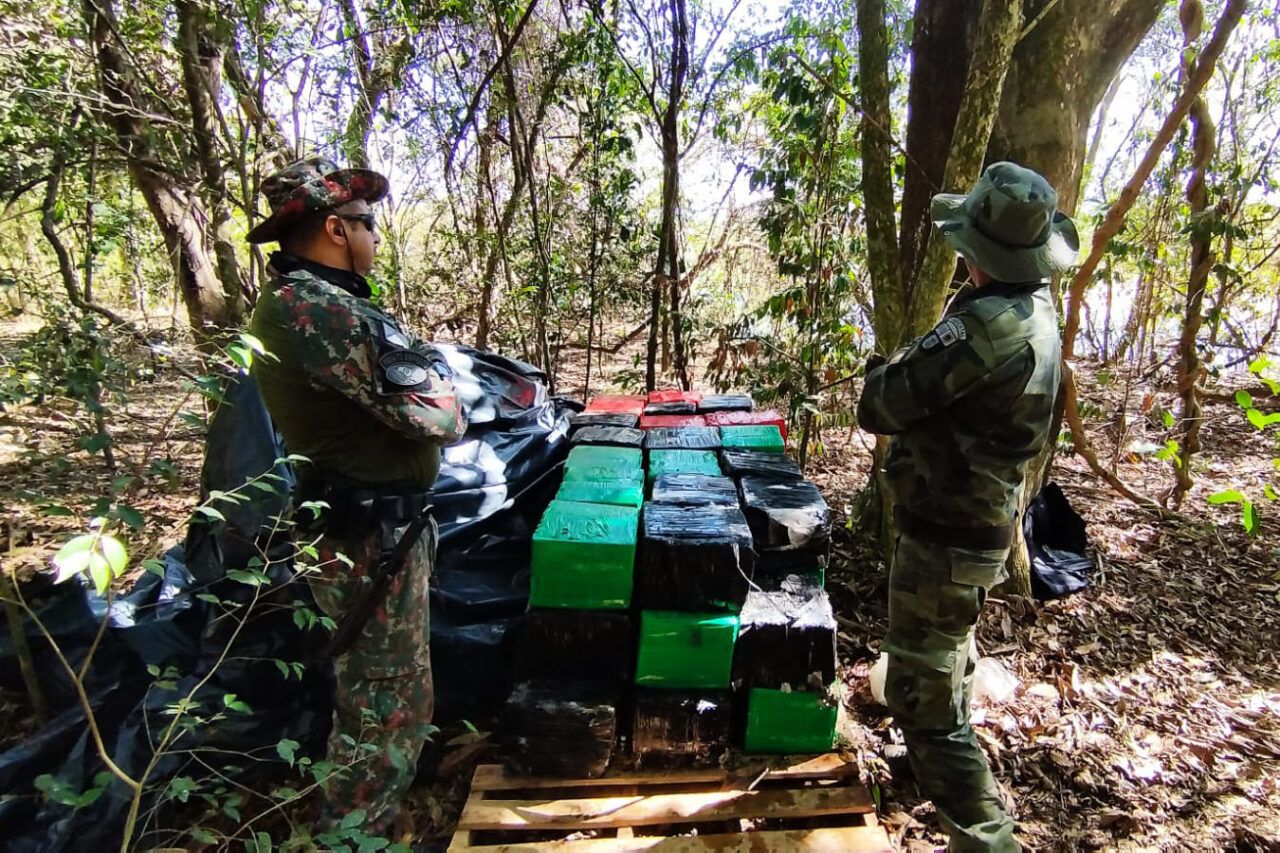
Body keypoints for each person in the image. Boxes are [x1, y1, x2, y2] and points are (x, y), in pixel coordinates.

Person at [857, 161, 1078, 852]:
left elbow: (881, 404)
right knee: (946, 662)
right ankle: (930, 768)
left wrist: (883, 367)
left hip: (947, 539)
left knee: (928, 710)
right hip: (977, 528)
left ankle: (987, 837)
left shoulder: (985, 329)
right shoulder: (1038, 314)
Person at [246, 156, 467, 832]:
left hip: (374, 530)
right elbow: (441, 415)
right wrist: (432, 374)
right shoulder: (312, 309)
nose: (375, 235)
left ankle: (362, 824)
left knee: (382, 694)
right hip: (366, 537)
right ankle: (353, 834)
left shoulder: (317, 302)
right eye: (367, 222)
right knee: (386, 705)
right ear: (336, 229)